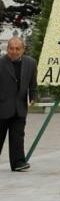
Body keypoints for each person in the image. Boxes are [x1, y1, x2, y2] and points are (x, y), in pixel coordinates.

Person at [0, 37, 37, 172]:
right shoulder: (1, 62)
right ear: (7, 48)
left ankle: (18, 163)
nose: (14, 51)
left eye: (17, 49)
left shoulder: (31, 63)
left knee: (18, 136)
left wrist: (33, 96)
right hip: (2, 107)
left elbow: (33, 84)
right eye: (11, 48)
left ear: (23, 49)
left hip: (20, 107)